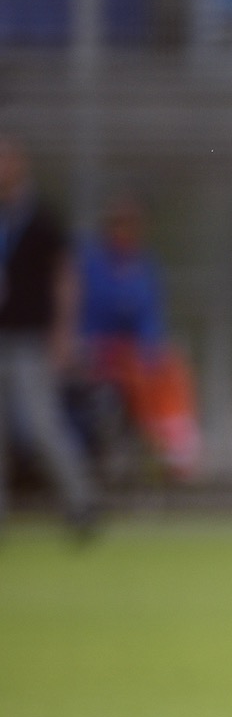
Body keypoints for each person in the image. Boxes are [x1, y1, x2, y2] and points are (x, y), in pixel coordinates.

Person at [0, 137, 98, 537]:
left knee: (43, 425)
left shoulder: (41, 217)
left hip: (30, 338)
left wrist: (63, 332)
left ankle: (81, 502)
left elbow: (65, 277)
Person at [78, 193, 201, 481]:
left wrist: (149, 346)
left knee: (171, 367)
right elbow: (92, 313)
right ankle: (159, 445)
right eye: (118, 222)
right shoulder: (92, 264)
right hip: (101, 350)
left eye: (131, 223)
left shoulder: (145, 264)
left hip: (135, 351)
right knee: (140, 376)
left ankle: (177, 446)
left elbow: (150, 315)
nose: (125, 229)